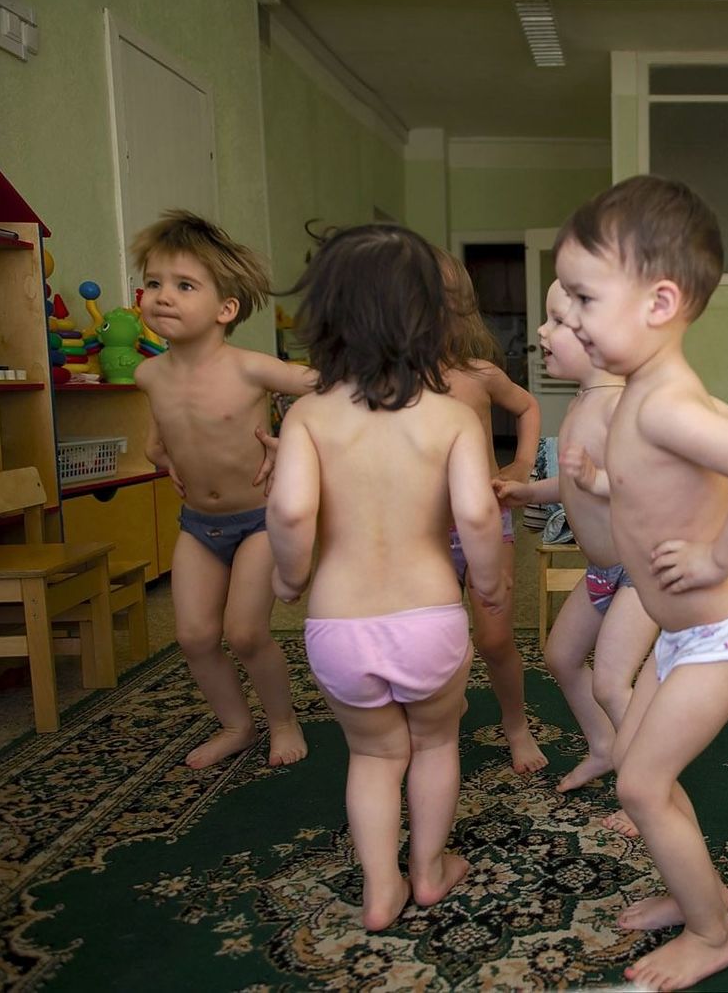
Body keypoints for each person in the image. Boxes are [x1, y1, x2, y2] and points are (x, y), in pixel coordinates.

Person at [554, 175, 728, 990]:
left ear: (660, 302)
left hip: (722, 634)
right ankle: (699, 890)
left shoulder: (662, 403)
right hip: (684, 632)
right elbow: (662, 488)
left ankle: (713, 933)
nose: (571, 318)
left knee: (641, 782)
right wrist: (602, 484)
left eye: (585, 299)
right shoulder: (643, 396)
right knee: (641, 770)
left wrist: (718, 558)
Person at [266, 224, 505, 930]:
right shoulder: (453, 418)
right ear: (434, 320)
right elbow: (477, 514)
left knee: (372, 755)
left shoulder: (308, 415)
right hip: (429, 618)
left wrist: (289, 579)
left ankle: (380, 888)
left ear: (324, 318)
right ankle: (429, 870)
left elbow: (291, 509)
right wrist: (490, 584)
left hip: (340, 625)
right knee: (435, 742)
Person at [132, 210, 313, 770]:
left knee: (245, 633)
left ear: (225, 309)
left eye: (185, 285)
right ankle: (236, 724)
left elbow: (331, 390)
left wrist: (291, 440)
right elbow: (157, 437)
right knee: (193, 636)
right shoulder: (148, 375)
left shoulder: (252, 368)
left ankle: (282, 721)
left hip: (258, 520)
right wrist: (162, 455)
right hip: (197, 525)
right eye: (154, 283)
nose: (163, 296)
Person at [494, 280, 658, 834]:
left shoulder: (620, 406)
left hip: (639, 572)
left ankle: (647, 789)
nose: (541, 331)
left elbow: (647, 484)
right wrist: (528, 491)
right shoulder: (581, 403)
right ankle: (605, 745)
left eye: (557, 321)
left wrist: (603, 479)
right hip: (602, 570)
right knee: (561, 657)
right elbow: (574, 484)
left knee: (612, 682)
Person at [434, 246, 547, 775]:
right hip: (423, 534)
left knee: (495, 637)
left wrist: (521, 463)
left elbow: (527, 406)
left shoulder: (477, 373)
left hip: (484, 522)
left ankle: (516, 725)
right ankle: (443, 710)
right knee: (437, 637)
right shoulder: (383, 385)